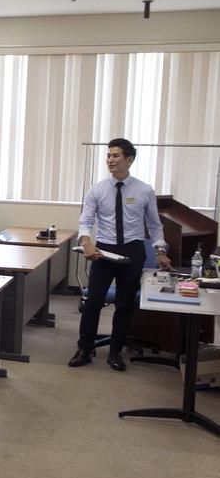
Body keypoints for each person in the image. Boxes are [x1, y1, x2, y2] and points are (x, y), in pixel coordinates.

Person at [69, 138, 171, 371]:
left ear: (129, 160)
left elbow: (155, 225)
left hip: (132, 250)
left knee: (125, 304)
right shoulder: (97, 189)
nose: (110, 160)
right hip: (103, 250)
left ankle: (115, 351)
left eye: (116, 156)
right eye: (108, 156)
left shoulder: (144, 190)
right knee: (93, 301)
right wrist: (86, 242)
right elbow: (85, 220)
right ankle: (85, 348)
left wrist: (160, 251)